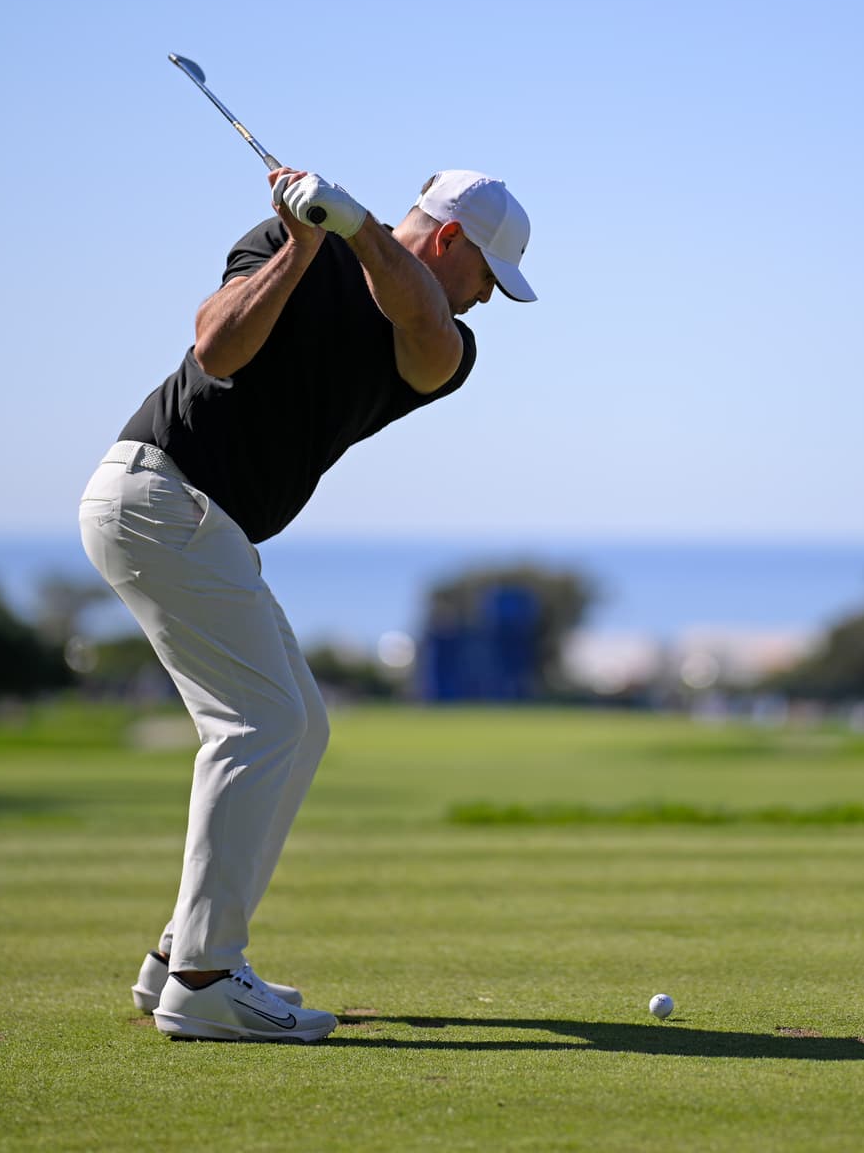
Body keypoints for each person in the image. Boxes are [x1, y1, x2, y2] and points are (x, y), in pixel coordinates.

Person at [78, 166, 539, 1042]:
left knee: (299, 725)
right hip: (157, 496)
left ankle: (180, 954)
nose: (484, 301)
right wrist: (300, 246)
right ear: (451, 241)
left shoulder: (442, 338)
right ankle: (206, 981)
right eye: (487, 278)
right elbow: (216, 350)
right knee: (258, 726)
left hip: (197, 521)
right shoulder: (282, 247)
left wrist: (357, 226)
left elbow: (425, 328)